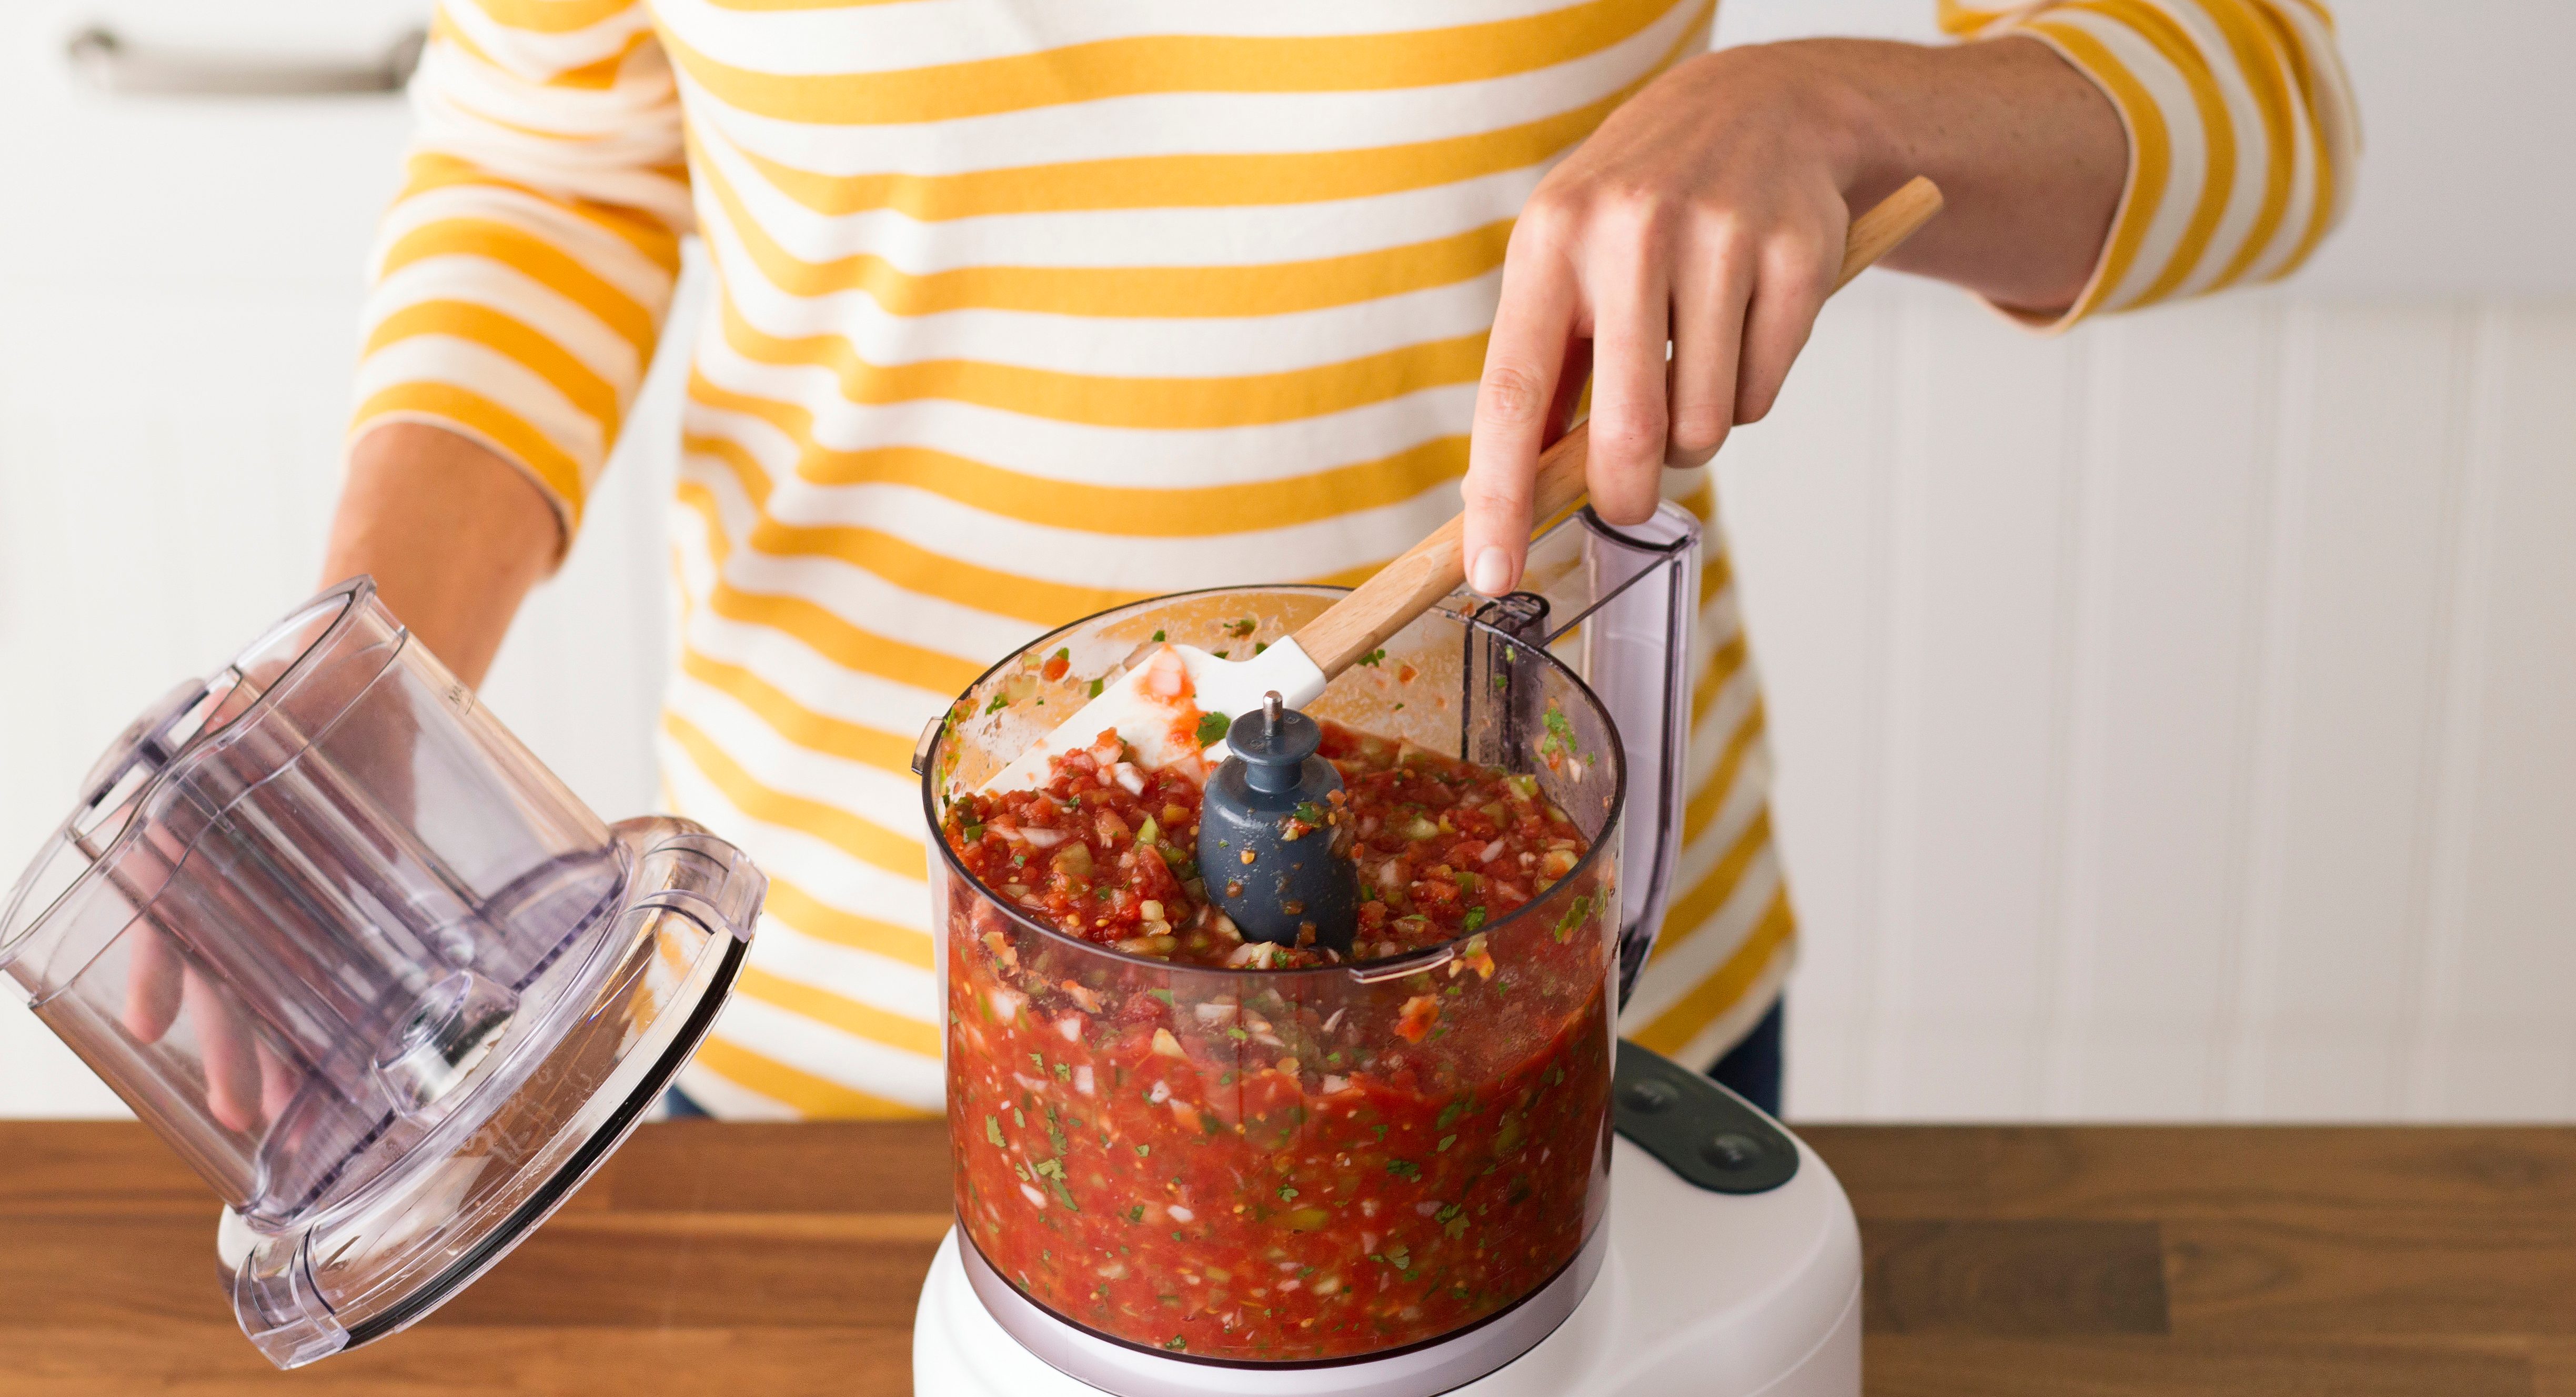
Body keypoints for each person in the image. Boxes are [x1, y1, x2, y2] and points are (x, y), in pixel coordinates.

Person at [334, 0, 2356, 1120]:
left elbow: (2262, 92)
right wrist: (365, 686)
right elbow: (553, 150)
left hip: (1549, 1016)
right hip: (852, 1045)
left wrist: (1827, 108)